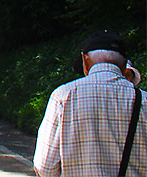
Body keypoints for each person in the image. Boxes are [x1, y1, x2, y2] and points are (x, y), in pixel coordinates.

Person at [34, 31, 147, 177]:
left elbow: (45, 166)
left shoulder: (63, 97)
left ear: (85, 61)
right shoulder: (143, 101)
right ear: (125, 64)